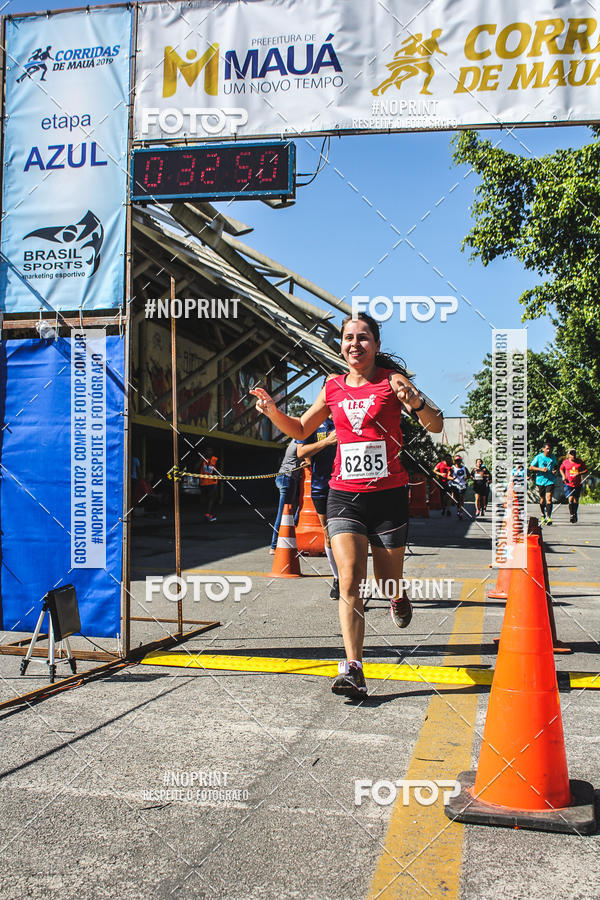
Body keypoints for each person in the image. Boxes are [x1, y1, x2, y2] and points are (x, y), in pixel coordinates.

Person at [251, 312, 442, 699]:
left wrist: (417, 402)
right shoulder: (332, 386)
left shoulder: (393, 382)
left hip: (388, 496)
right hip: (344, 495)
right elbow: (302, 430)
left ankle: (396, 594)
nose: (355, 344)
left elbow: (435, 425)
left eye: (363, 337)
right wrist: (273, 412)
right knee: (350, 580)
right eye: (348, 338)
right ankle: (354, 667)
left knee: (386, 580)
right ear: (341, 345)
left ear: (376, 345)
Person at [296, 418, 339, 598]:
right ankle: (338, 579)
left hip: (347, 485)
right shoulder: (314, 422)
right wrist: (326, 442)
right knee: (328, 534)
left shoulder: (347, 413)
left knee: (350, 534)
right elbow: (301, 451)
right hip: (321, 485)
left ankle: (353, 579)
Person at [270, 438, 302, 553]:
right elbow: (304, 454)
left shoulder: (296, 439)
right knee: (284, 513)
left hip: (285, 477)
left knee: (292, 509)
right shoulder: (301, 439)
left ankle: (285, 540)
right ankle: (274, 546)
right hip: (287, 478)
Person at [529, 442, 558, 525]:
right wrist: (540, 469)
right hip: (540, 480)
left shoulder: (553, 457)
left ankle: (549, 517)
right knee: (542, 499)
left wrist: (554, 471)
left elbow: (555, 465)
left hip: (550, 480)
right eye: (547, 449)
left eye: (550, 449)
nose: (549, 450)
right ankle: (543, 514)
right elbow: (531, 467)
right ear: (543, 449)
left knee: (549, 498)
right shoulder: (539, 457)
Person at [560, 449, 589, 523]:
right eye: (571, 454)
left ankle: (575, 513)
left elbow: (586, 470)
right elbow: (561, 469)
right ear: (569, 455)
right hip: (568, 483)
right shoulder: (565, 462)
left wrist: (579, 473)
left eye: (574, 454)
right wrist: (563, 476)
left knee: (576, 500)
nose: (573, 456)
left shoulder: (580, 462)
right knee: (570, 499)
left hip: (577, 484)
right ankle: (571, 514)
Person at [200, 449, 219, 522]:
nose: (209, 452)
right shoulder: (202, 459)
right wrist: (201, 461)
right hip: (204, 482)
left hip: (212, 482)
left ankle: (208, 514)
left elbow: (217, 470)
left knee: (212, 497)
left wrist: (216, 472)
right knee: (204, 499)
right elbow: (195, 468)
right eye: (207, 450)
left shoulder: (215, 459)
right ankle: (207, 513)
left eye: (210, 450)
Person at [450, 455, 469, 519]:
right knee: (457, 499)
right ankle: (458, 509)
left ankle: (460, 512)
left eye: (459, 460)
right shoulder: (452, 468)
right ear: (454, 461)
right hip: (455, 485)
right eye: (456, 461)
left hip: (463, 484)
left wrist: (466, 478)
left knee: (461, 498)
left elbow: (469, 475)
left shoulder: (464, 468)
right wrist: (452, 478)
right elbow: (448, 476)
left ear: (461, 461)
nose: (458, 462)